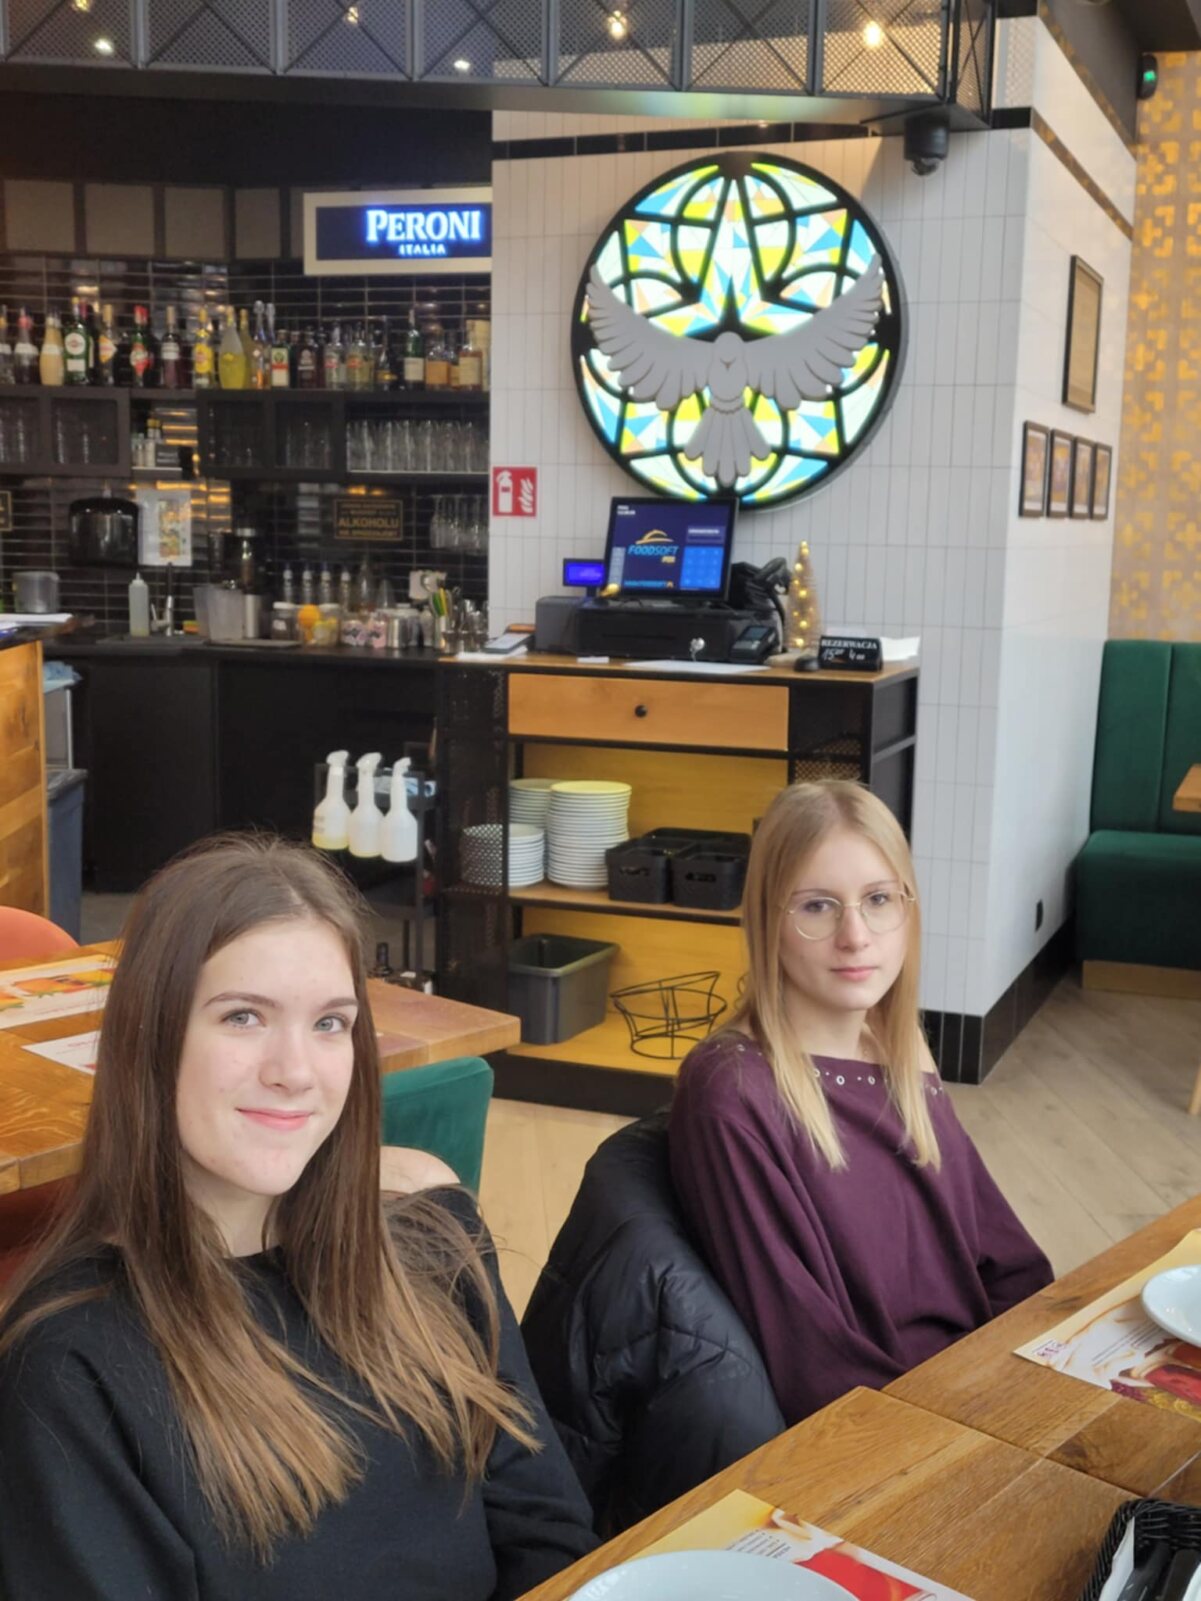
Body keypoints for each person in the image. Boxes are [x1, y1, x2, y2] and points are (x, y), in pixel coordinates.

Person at [0, 835, 596, 1601]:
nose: (295, 1071)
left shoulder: (432, 1235)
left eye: (329, 1023)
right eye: (243, 1015)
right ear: (150, 1036)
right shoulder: (68, 1368)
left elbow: (545, 1529)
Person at [669, 780, 1052, 1426]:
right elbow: (814, 1366)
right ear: (767, 921)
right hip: (899, 1428)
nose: (855, 936)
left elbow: (1005, 1259)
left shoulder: (898, 1049)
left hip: (985, 1386)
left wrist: (1047, 1368)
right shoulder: (732, 1094)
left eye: (878, 899)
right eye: (817, 906)